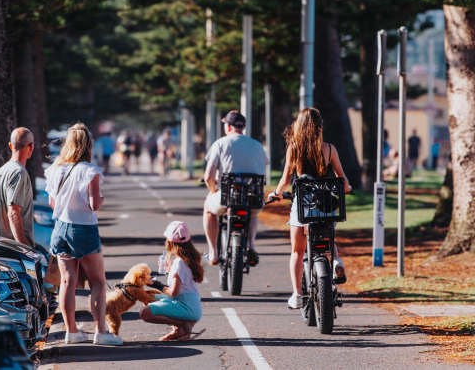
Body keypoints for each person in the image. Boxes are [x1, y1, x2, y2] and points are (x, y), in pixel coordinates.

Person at [44, 122, 122, 346]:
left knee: (67, 281)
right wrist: (102, 199)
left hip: (60, 228)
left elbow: (52, 203)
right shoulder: (91, 171)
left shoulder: (54, 170)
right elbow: (94, 204)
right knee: (97, 282)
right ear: (88, 145)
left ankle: (72, 332)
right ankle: (100, 331)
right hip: (84, 228)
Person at [268, 108, 352, 309]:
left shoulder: (294, 148)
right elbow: (342, 178)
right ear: (319, 127)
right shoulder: (329, 149)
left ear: (299, 126)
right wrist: (347, 188)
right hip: (327, 204)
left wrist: (276, 193)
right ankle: (337, 261)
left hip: (304, 205)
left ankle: (297, 295)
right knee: (327, 231)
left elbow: (286, 179)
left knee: (297, 252)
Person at [203, 110, 269, 266]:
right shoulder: (257, 145)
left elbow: (208, 177)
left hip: (227, 196)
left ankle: (213, 252)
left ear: (227, 126)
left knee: (208, 209)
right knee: (252, 214)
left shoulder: (220, 144)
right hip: (253, 197)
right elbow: (263, 176)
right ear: (243, 126)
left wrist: (213, 190)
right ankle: (251, 245)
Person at [140, 221, 205, 341]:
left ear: (169, 242)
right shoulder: (187, 258)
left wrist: (157, 285)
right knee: (148, 296)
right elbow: (182, 283)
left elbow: (174, 292)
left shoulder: (179, 262)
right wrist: (170, 270)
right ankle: (178, 330)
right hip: (191, 304)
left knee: (145, 313)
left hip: (185, 306)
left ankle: (183, 324)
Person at [0, 127, 35, 247]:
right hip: (13, 249)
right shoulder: (19, 172)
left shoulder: (1, 171)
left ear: (11, 146)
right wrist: (25, 248)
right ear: (31, 147)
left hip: (0, 245)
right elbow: (13, 213)